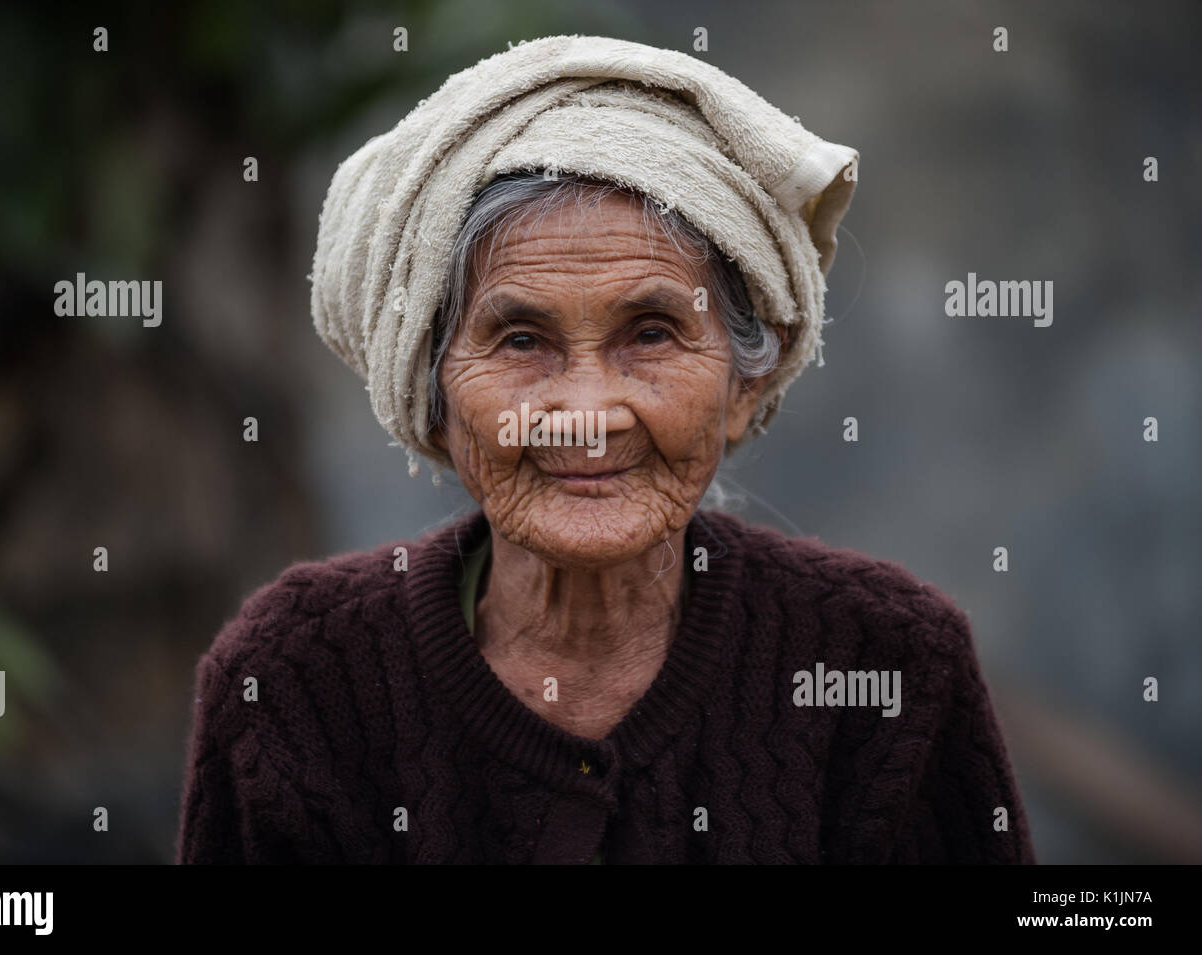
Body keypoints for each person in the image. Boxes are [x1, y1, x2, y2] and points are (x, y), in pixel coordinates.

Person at [175, 34, 1035, 864]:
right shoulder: (296, 681)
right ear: (430, 396)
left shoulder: (884, 669)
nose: (587, 412)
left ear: (743, 387)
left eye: (652, 333)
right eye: (520, 341)